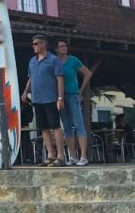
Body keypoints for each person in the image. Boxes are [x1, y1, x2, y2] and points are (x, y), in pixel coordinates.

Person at [22, 34, 65, 166]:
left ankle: (60, 156)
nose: (33, 46)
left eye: (36, 43)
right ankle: (50, 155)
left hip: (51, 98)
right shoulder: (32, 61)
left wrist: (60, 98)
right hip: (37, 99)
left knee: (55, 126)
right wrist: (25, 91)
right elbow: (31, 78)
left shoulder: (53, 60)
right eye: (33, 44)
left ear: (43, 44)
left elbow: (60, 79)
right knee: (44, 128)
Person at [55, 40, 93, 166]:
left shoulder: (73, 60)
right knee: (66, 126)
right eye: (61, 46)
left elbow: (87, 73)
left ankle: (83, 156)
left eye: (65, 46)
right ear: (56, 49)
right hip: (60, 95)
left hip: (73, 94)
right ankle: (72, 156)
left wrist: (81, 90)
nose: (64, 48)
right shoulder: (55, 61)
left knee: (78, 124)